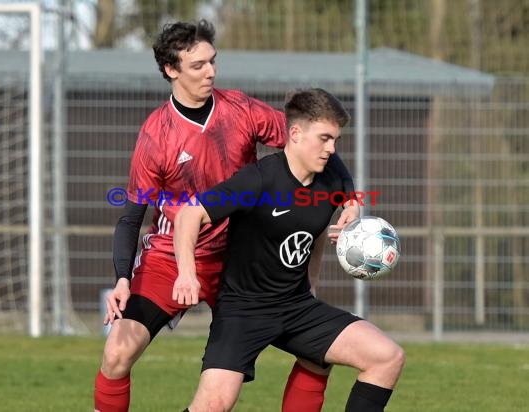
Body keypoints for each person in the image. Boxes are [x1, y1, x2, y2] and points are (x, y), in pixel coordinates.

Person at [93, 20, 360, 412]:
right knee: (117, 353)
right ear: (171, 70)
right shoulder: (155, 135)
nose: (211, 72)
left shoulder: (242, 110)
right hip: (171, 257)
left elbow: (314, 140)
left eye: (212, 61)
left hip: (240, 261)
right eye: (198, 65)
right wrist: (121, 277)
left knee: (316, 350)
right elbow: (132, 215)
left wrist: (350, 196)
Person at [173, 88, 405, 412]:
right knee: (213, 404)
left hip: (296, 307)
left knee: (387, 357)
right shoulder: (258, 180)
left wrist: (350, 205)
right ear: (295, 133)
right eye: (324, 138)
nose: (332, 149)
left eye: (336, 140)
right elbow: (189, 214)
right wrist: (186, 274)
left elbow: (325, 215)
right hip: (244, 309)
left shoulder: (330, 177)